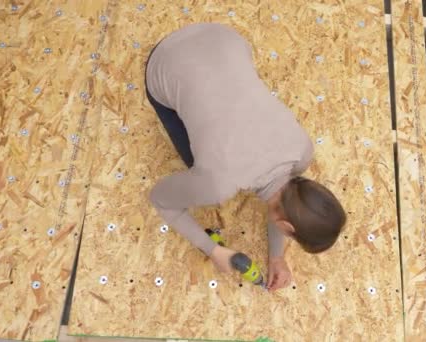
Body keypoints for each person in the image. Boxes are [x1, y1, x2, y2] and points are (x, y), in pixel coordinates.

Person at [146, 23, 347, 292]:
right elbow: (160, 198)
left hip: (223, 36)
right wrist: (213, 250)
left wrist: (276, 256)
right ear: (286, 226)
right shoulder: (217, 183)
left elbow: (283, 199)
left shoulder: (303, 150)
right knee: (194, 163)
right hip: (165, 59)